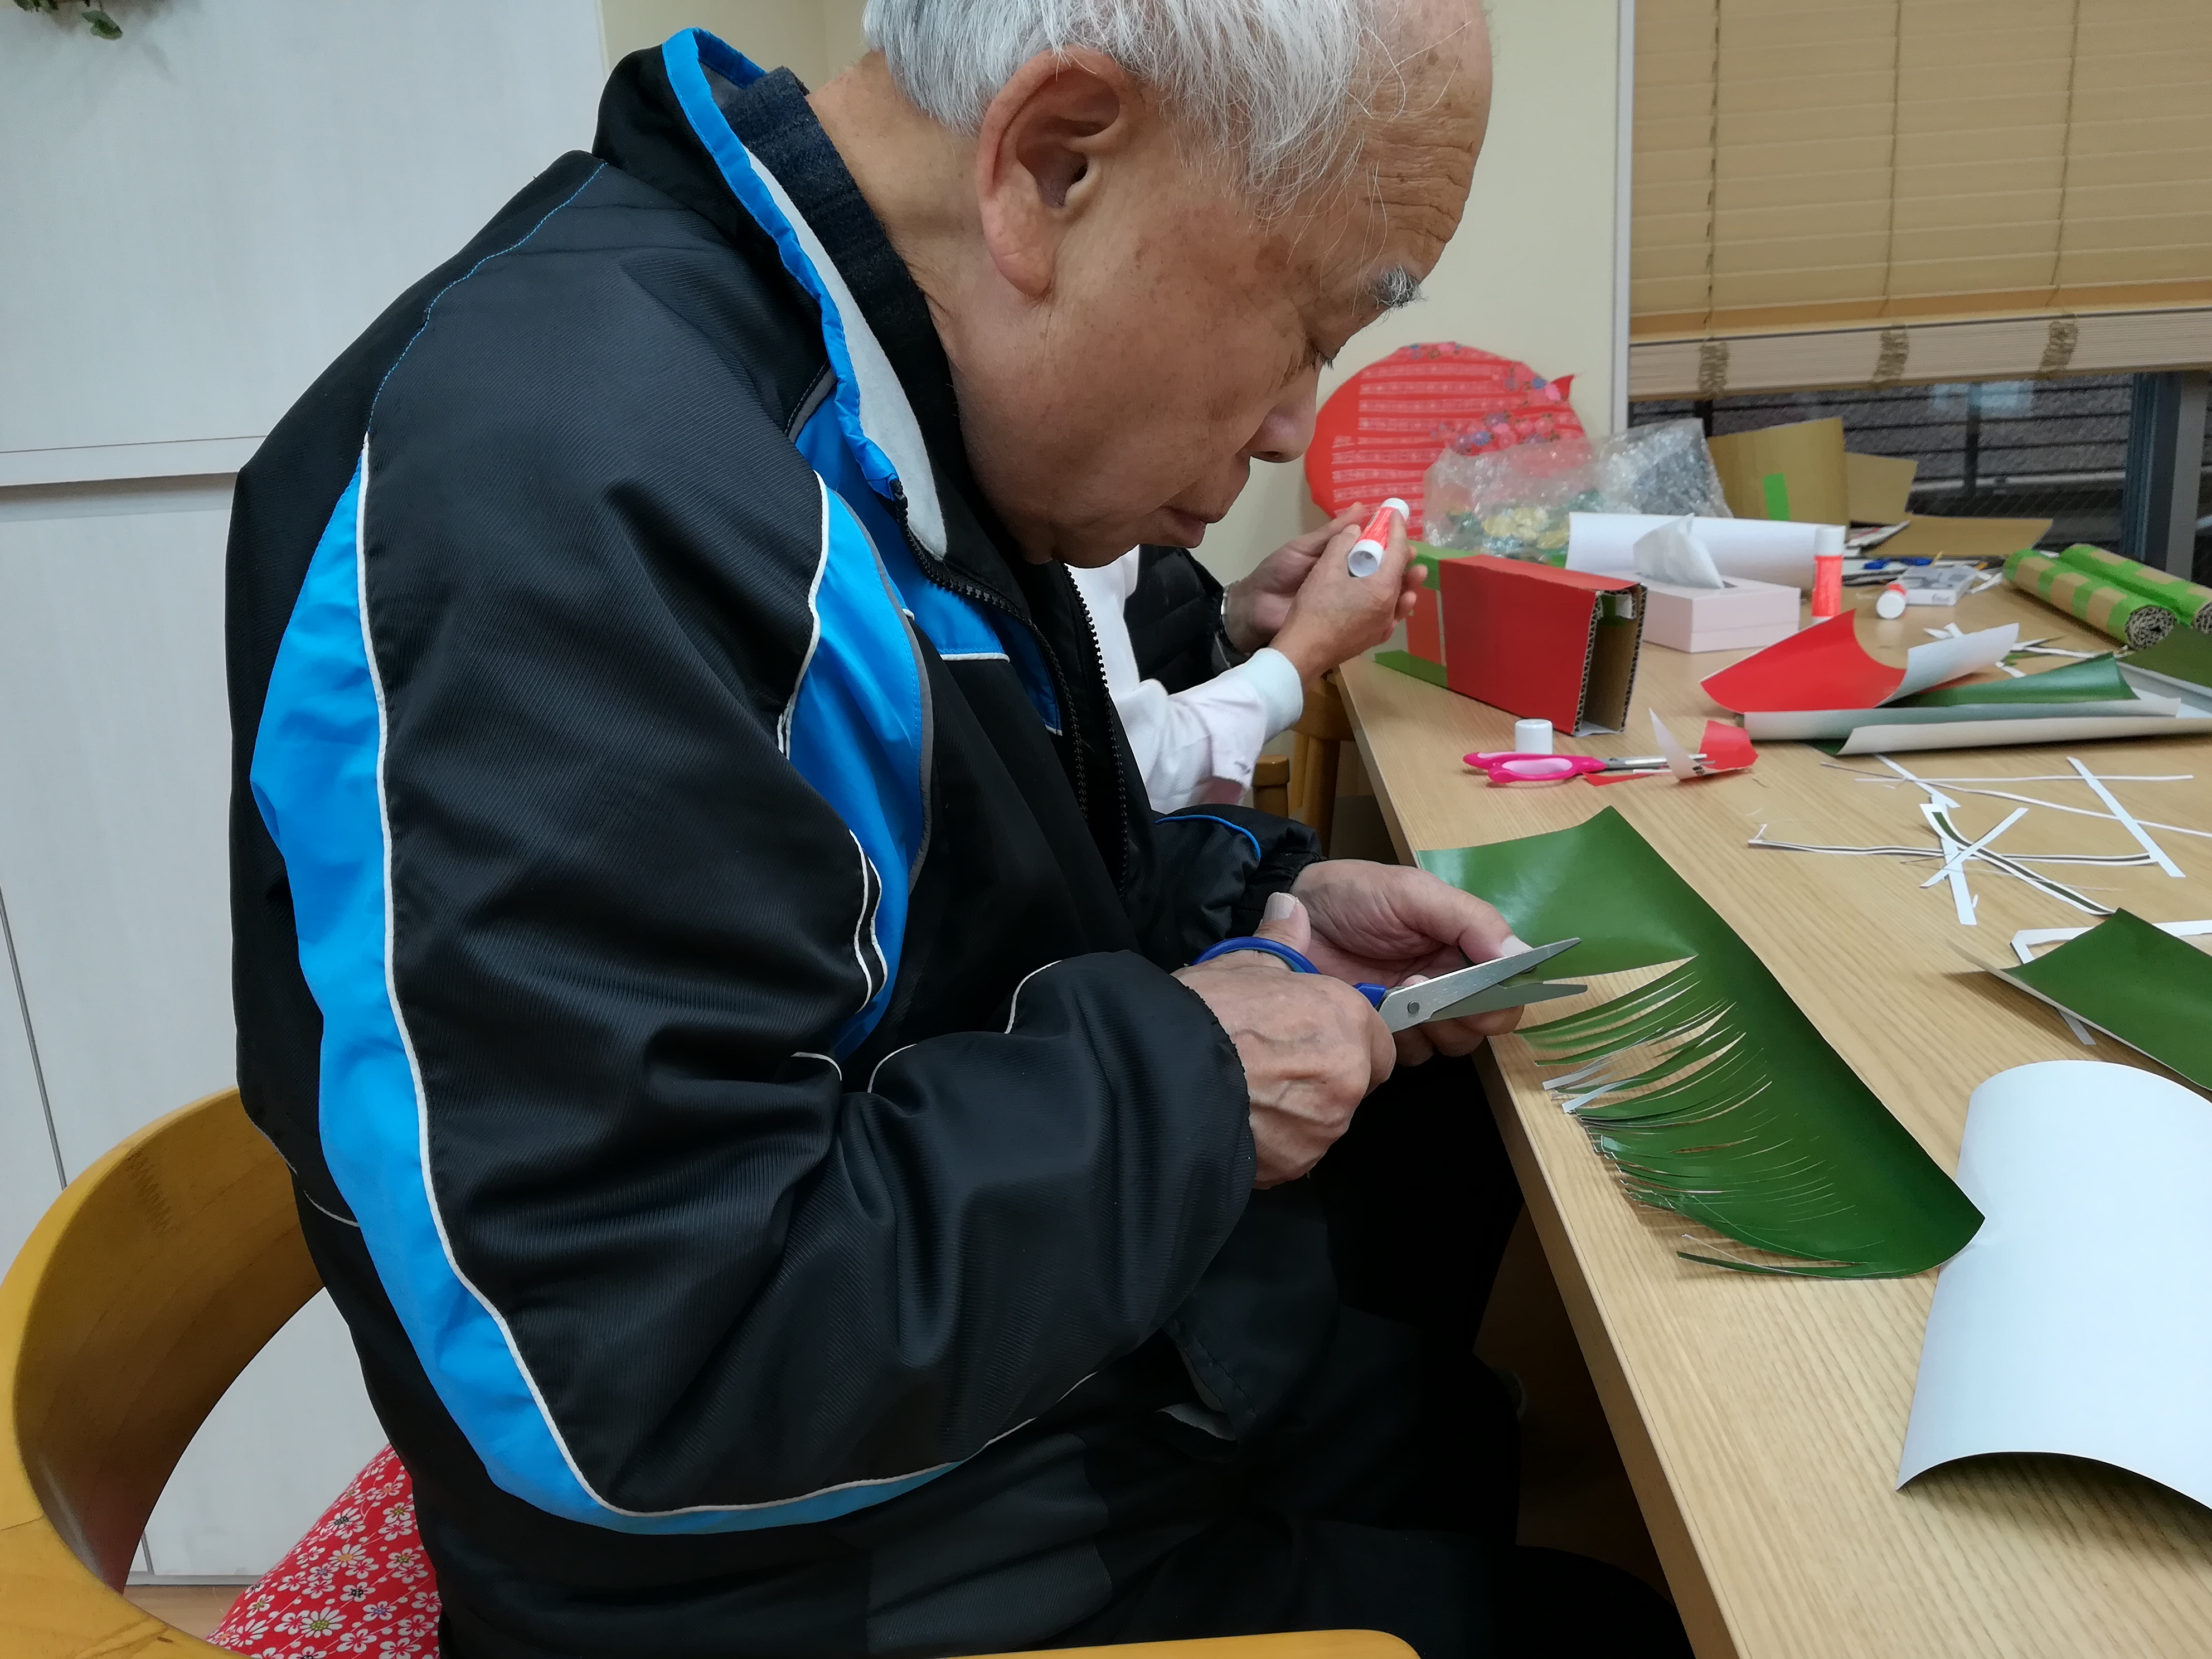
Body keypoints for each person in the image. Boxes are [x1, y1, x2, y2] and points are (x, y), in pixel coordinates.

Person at [225, 6, 1692, 1657]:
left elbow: (969, 888)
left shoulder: (868, 391)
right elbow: (636, 1361)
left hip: (983, 1399)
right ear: (1051, 163)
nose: (1295, 423)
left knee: (1448, 1377)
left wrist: (1251, 908)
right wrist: (1190, 1078)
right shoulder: (562, 497)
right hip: (767, 1563)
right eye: (1305, 326)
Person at [1070, 512, 1422, 811]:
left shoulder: (1098, 532)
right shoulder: (1073, 546)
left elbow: (1127, 671)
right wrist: (1305, 652)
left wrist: (1239, 615)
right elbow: (1125, 783)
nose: (1283, 454)